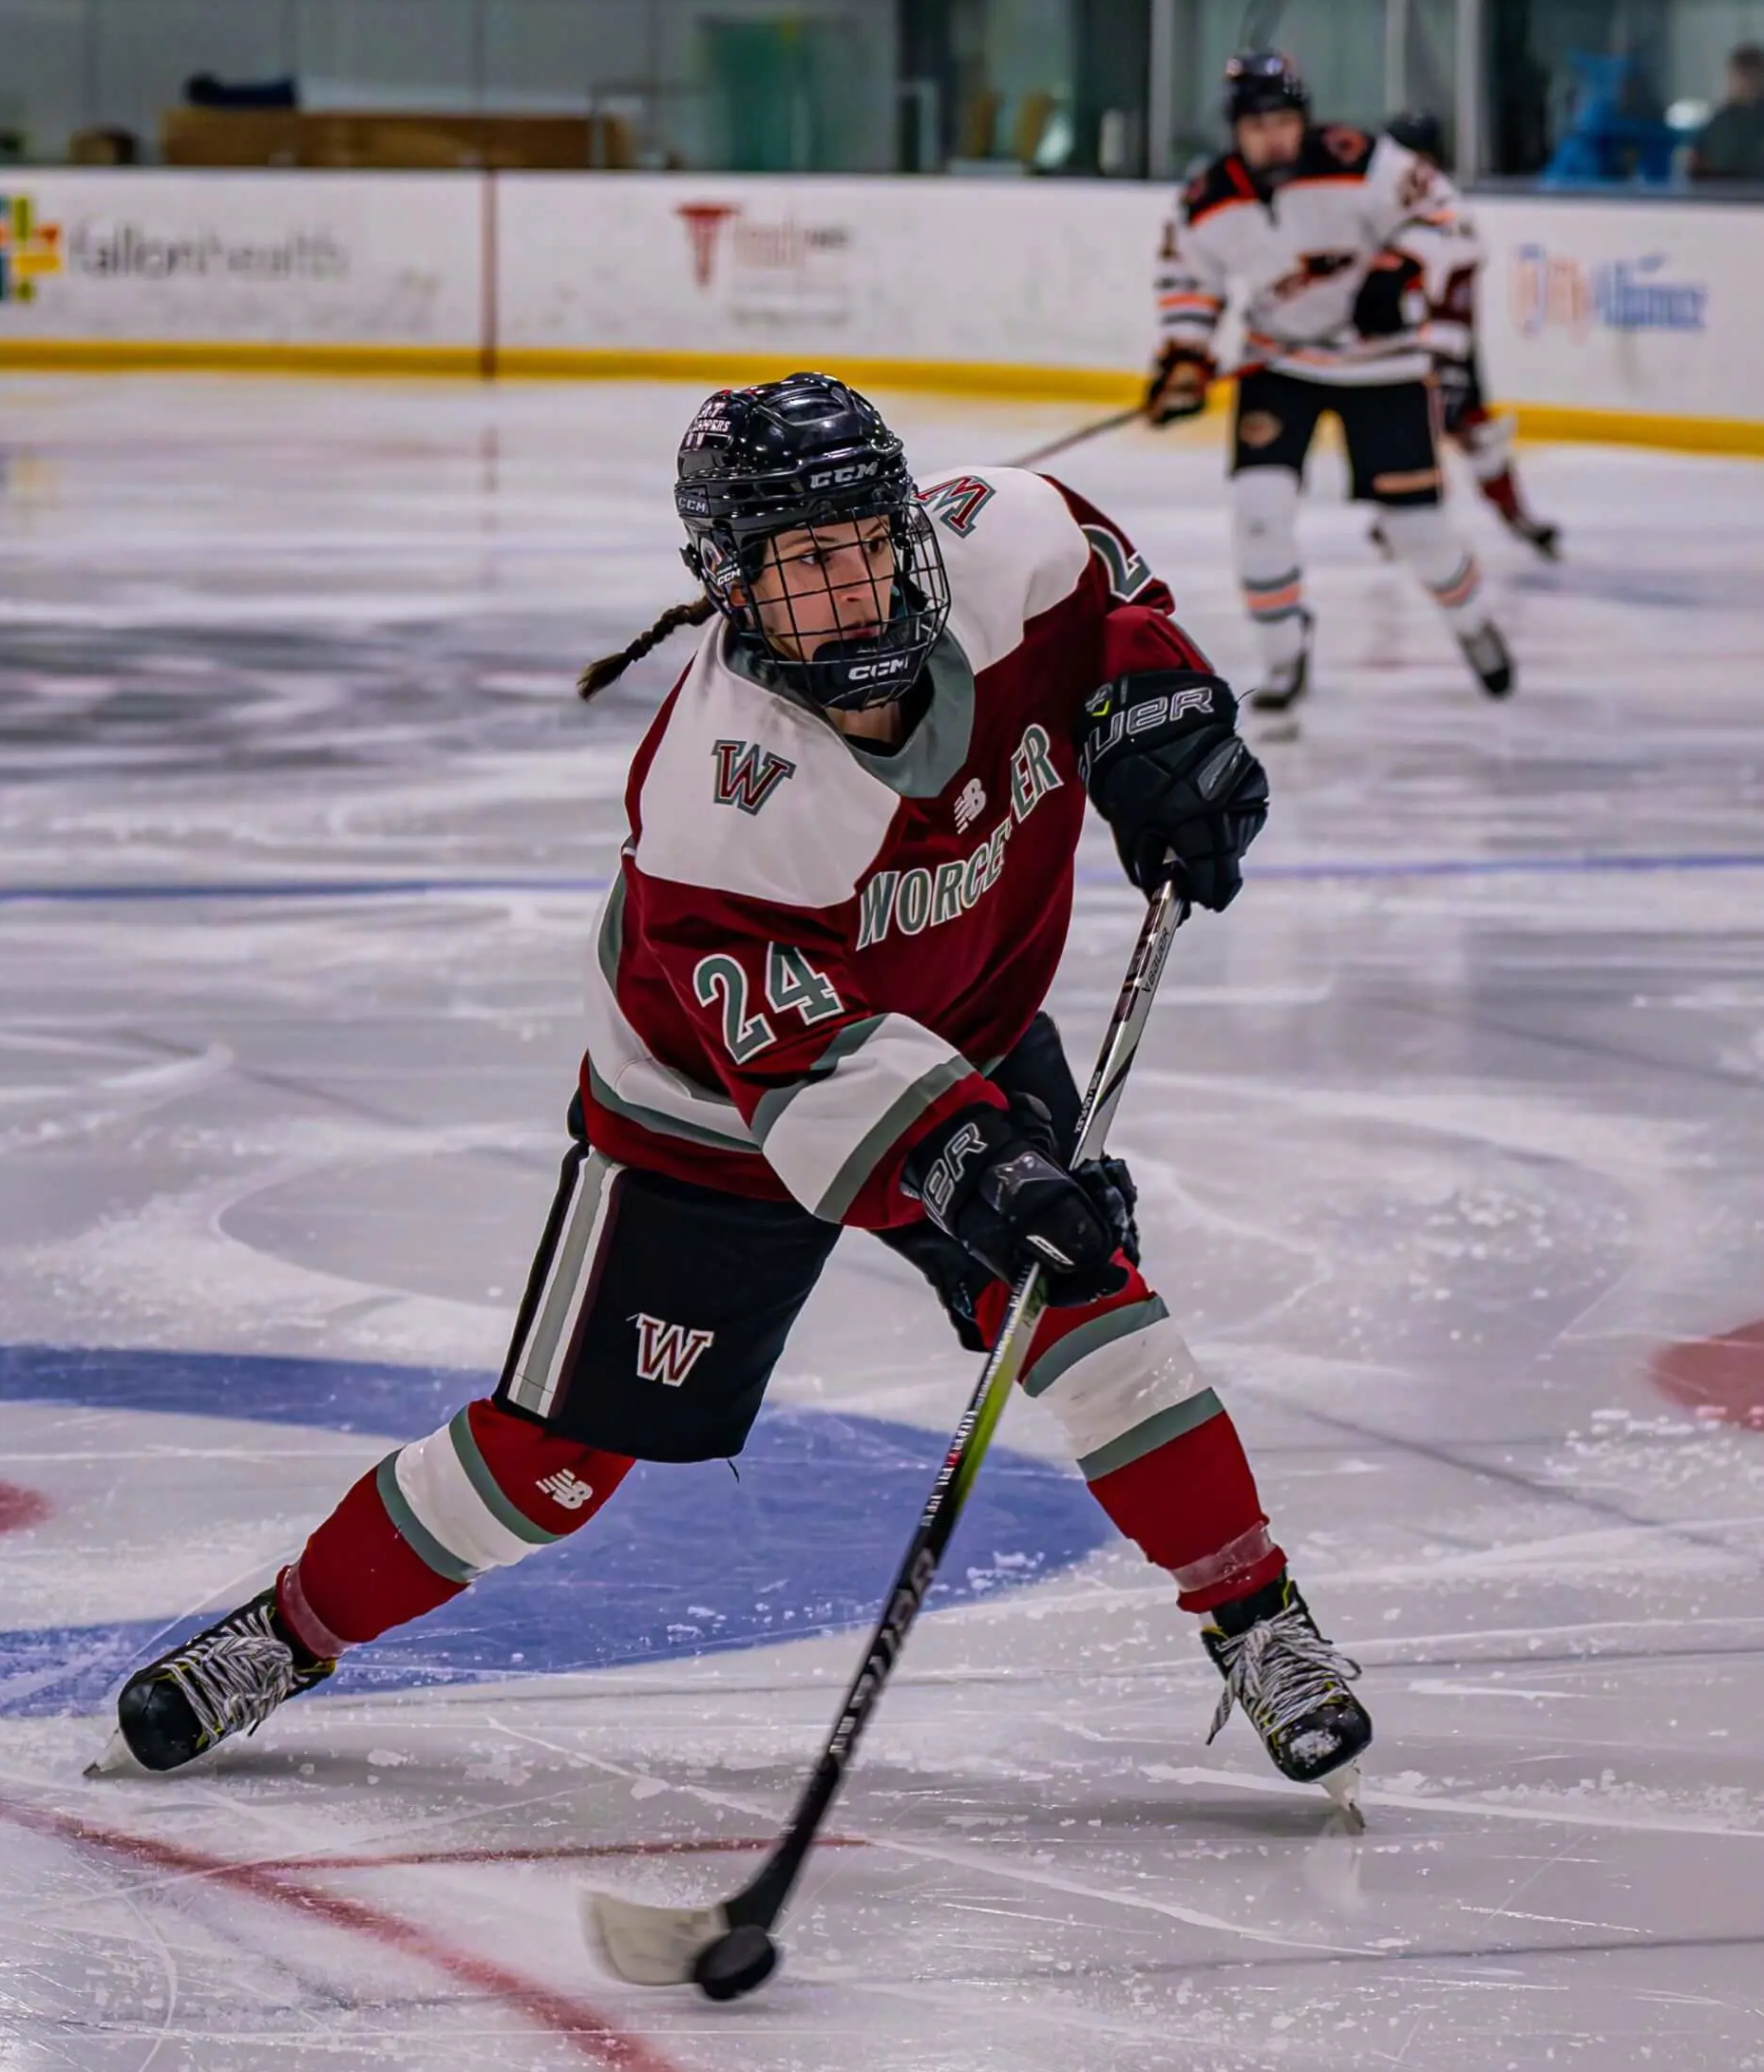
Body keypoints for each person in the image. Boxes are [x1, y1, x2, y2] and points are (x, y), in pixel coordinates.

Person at [99, 372, 1372, 1809]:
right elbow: (797, 1060)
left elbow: (1118, 606)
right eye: (796, 565)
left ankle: (1258, 1623)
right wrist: (977, 1168)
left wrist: (1161, 722)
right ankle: (288, 1633)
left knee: (1095, 1313)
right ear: (728, 589)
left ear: (905, 523)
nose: (844, 585)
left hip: (963, 1022)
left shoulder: (1010, 542)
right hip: (703, 1115)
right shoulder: (721, 796)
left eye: (859, 541)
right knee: (553, 1466)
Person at [1148, 49, 1514, 718]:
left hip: (1384, 367)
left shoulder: (1361, 159)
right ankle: (1282, 654)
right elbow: (1187, 282)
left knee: (1417, 533)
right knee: (1258, 513)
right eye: (1258, 125)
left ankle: (1471, 623)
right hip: (1277, 366)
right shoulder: (1205, 198)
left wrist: (1396, 269)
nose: (1273, 136)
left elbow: (1448, 221)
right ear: (1235, 129)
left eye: (1285, 121)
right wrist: (1185, 358)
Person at [1380, 108, 1560, 561]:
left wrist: (1446, 352)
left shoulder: (1444, 210)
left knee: (1471, 431)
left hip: (1437, 343)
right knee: (1406, 431)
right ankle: (1397, 519)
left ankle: (1509, 511)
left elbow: (1456, 283)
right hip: (1397, 340)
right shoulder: (1377, 201)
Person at [1689, 44, 1764, 183]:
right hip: (1720, 196)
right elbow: (1697, 165)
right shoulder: (1718, 122)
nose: (1743, 83)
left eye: (1749, 76)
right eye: (1739, 76)